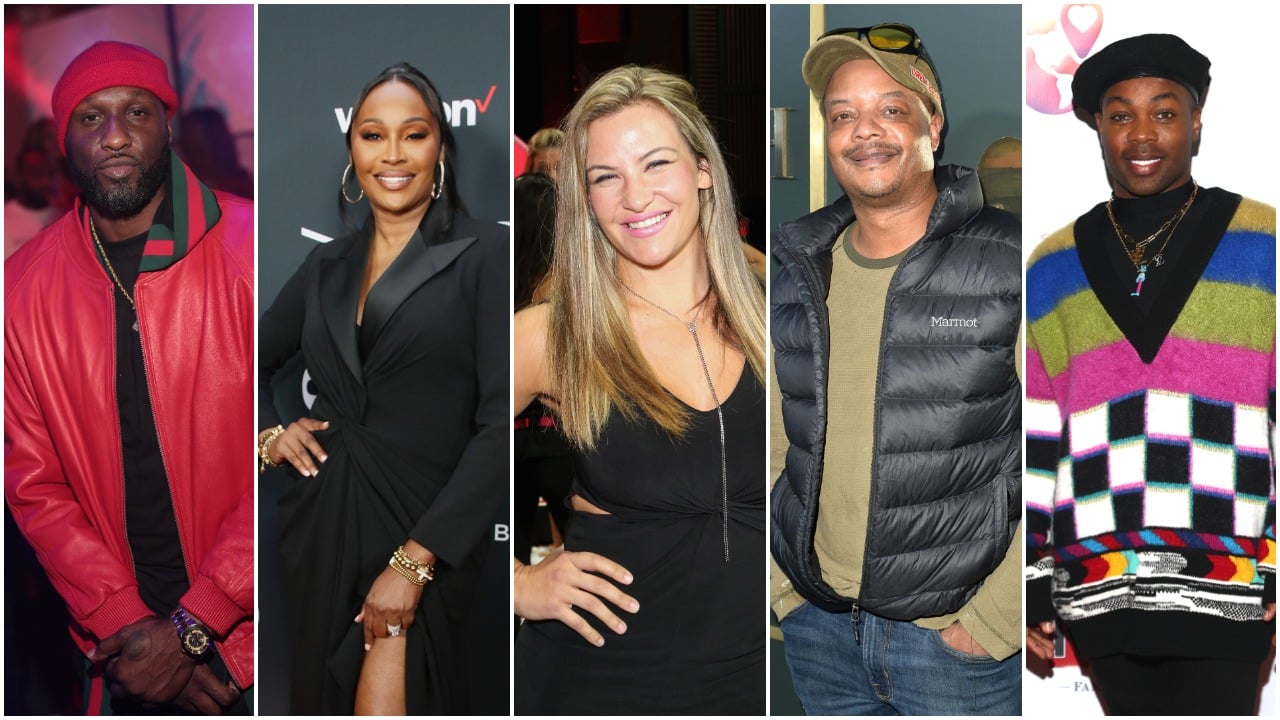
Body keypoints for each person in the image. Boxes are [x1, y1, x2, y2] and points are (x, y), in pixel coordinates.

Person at [770, 24, 1023, 715]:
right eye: (843, 114)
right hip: (818, 630)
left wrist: (993, 620)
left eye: (890, 108)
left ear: (931, 125)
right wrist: (782, 586)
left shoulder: (1011, 263)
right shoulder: (796, 269)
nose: (865, 131)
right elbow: (777, 438)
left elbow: (1065, 452)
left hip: (954, 648)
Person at [1024, 33, 1276, 715]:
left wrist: (1275, 568)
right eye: (1120, 113)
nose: (1142, 133)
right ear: (1097, 128)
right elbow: (1039, 440)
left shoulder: (1265, 243)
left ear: (1196, 124)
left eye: (1164, 112)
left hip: (1229, 582)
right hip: (1098, 587)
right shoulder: (1049, 267)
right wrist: (1034, 577)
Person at [4, 41, 253, 714]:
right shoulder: (21, 290)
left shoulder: (253, 249)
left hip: (253, 645)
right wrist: (130, 624)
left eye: (135, 111)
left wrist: (199, 622)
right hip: (125, 658)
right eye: (90, 118)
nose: (114, 135)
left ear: (166, 126)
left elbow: (293, 458)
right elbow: (33, 484)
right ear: (66, 142)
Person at [512, 65, 766, 714]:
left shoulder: (776, 311)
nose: (635, 196)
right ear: (585, 198)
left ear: (702, 168)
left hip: (767, 672)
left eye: (656, 164)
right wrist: (514, 584)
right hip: (606, 676)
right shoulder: (549, 336)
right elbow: (403, 460)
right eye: (606, 177)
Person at [257, 62, 508, 715]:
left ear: (440, 151)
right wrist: (270, 434)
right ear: (352, 153)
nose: (392, 154)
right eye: (372, 135)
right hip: (324, 526)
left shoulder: (485, 256)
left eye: (413, 134)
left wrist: (416, 562)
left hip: (429, 533)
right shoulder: (326, 265)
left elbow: (498, 424)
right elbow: (247, 359)